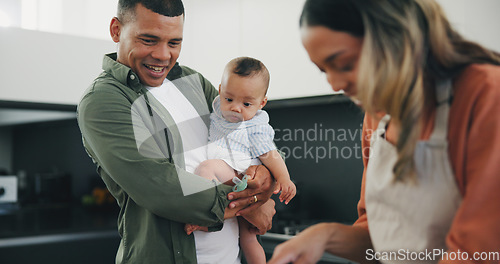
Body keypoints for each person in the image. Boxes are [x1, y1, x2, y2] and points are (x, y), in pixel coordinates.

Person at [268, 0, 500, 264]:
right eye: (324, 71)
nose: (334, 84)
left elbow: (480, 250)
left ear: (396, 38)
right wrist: (325, 235)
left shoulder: (485, 95)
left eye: (344, 64)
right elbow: (382, 240)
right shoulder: (377, 117)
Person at [77, 0, 277, 263]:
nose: (163, 55)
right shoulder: (103, 100)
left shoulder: (191, 81)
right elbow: (163, 189)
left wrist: (262, 174)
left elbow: (244, 136)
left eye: (174, 43)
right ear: (116, 30)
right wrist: (250, 206)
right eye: (149, 40)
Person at [184, 57, 297, 264]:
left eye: (246, 103)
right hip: (235, 179)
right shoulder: (218, 107)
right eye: (229, 99)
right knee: (249, 238)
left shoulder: (254, 126)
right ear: (220, 91)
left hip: (240, 175)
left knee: (207, 168)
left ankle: (205, 218)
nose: (235, 108)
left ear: (261, 103)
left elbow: (270, 154)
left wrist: (284, 178)